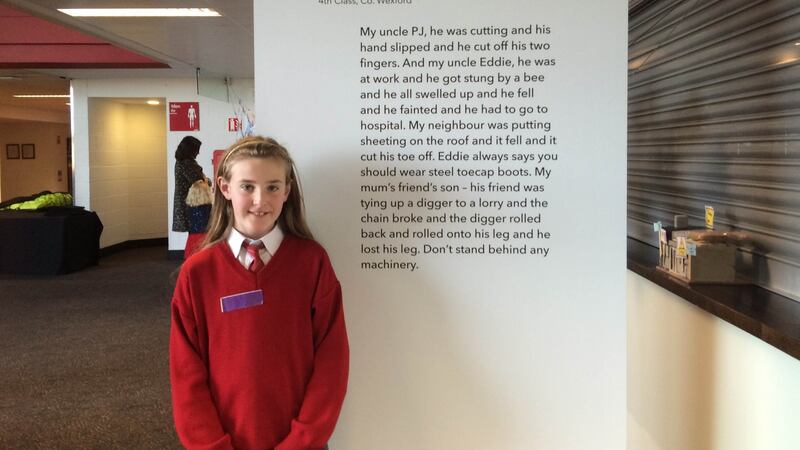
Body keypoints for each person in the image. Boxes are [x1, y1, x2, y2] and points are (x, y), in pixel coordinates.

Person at [169, 136, 349, 450]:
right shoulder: (197, 273)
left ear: (287, 191)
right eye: (247, 186)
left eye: (273, 187)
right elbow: (186, 374)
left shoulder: (312, 263)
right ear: (224, 188)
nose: (260, 200)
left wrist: (301, 442)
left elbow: (332, 361)